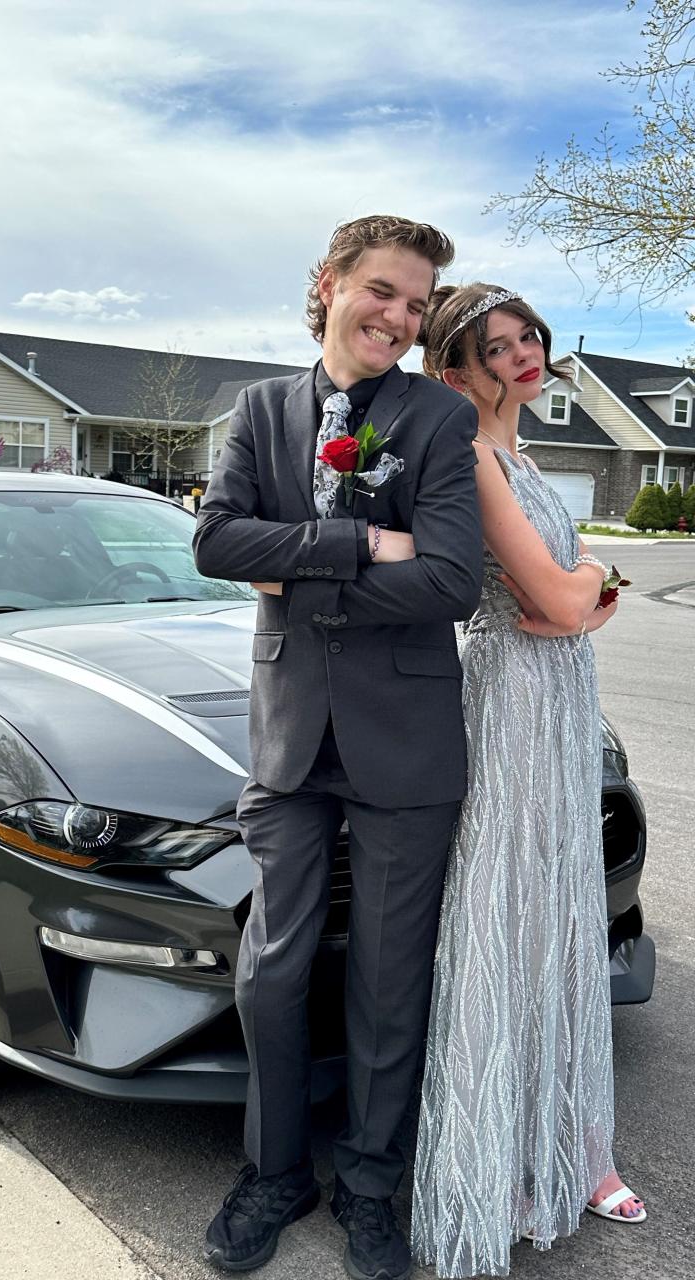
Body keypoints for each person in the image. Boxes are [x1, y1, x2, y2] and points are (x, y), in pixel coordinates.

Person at [193, 215, 483, 1280]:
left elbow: (452, 580)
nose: (400, 319)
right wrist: (359, 539)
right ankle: (274, 1173)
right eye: (384, 291)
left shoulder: (439, 419)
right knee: (272, 968)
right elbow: (218, 540)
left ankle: (369, 1183)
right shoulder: (260, 410)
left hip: (406, 738)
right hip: (286, 735)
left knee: (388, 979)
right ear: (329, 284)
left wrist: (292, 564)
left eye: (418, 305)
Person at [410, 283, 646, 1278]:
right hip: (511, 710)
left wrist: (587, 595)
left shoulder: (526, 452)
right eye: (496, 346)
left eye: (528, 338)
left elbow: (584, 581)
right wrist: (580, 595)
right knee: (507, 922)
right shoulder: (467, 455)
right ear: (457, 369)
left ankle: (577, 1149)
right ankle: (498, 1159)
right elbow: (551, 590)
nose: (522, 355)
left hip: (559, 701)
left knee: (561, 918)